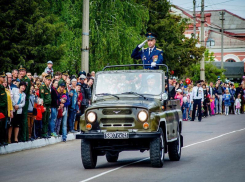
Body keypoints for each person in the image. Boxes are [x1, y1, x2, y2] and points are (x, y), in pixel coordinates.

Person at [18, 65, 31, 142]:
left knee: (24, 119)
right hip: (23, 100)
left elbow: (24, 92)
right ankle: (25, 136)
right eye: (20, 71)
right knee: (23, 119)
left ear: (25, 72)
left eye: (22, 71)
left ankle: (24, 137)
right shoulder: (22, 79)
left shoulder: (26, 80)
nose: (21, 72)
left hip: (24, 100)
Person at [39, 74, 52, 138]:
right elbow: (42, 97)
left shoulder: (48, 87)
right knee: (44, 120)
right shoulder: (43, 87)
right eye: (48, 80)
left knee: (47, 120)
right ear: (45, 80)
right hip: (44, 105)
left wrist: (49, 107)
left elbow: (49, 98)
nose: (49, 81)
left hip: (48, 106)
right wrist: (43, 106)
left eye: (50, 80)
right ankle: (43, 133)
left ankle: (46, 132)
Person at [3, 78, 13, 144]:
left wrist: (11, 110)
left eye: (6, 82)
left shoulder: (7, 90)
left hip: (7, 110)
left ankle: (4, 140)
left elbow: (10, 102)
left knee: (5, 126)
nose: (5, 83)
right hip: (2, 110)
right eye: (4, 82)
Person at [0, 72, 8, 146]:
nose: (4, 78)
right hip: (0, 109)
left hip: (4, 110)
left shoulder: (2, 87)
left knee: (3, 126)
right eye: (2, 77)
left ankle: (2, 140)